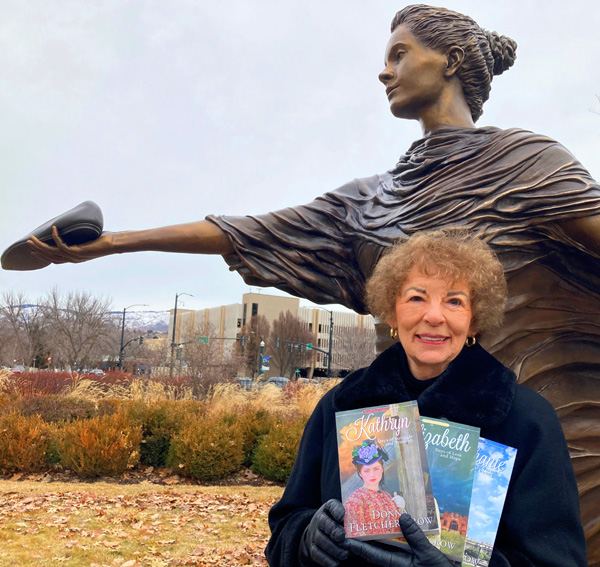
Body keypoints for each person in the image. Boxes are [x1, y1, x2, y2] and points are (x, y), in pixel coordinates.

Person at [24, 5, 600, 556]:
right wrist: (112, 243)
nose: (384, 70)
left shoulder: (526, 162)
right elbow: (248, 231)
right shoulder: (373, 200)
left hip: (538, 430)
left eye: (400, 53)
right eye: (415, 296)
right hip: (403, 427)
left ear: (450, 61)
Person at [265, 229, 587, 567]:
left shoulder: (524, 420)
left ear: (474, 321)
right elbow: (283, 531)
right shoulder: (340, 404)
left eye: (454, 301)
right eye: (417, 298)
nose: (434, 316)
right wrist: (305, 538)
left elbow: (559, 560)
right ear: (392, 313)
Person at [343, 440, 405, 539]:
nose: (372, 474)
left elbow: (398, 533)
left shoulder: (387, 496)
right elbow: (356, 539)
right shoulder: (354, 501)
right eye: (366, 470)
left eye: (376, 468)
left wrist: (400, 511)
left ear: (382, 469)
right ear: (360, 473)